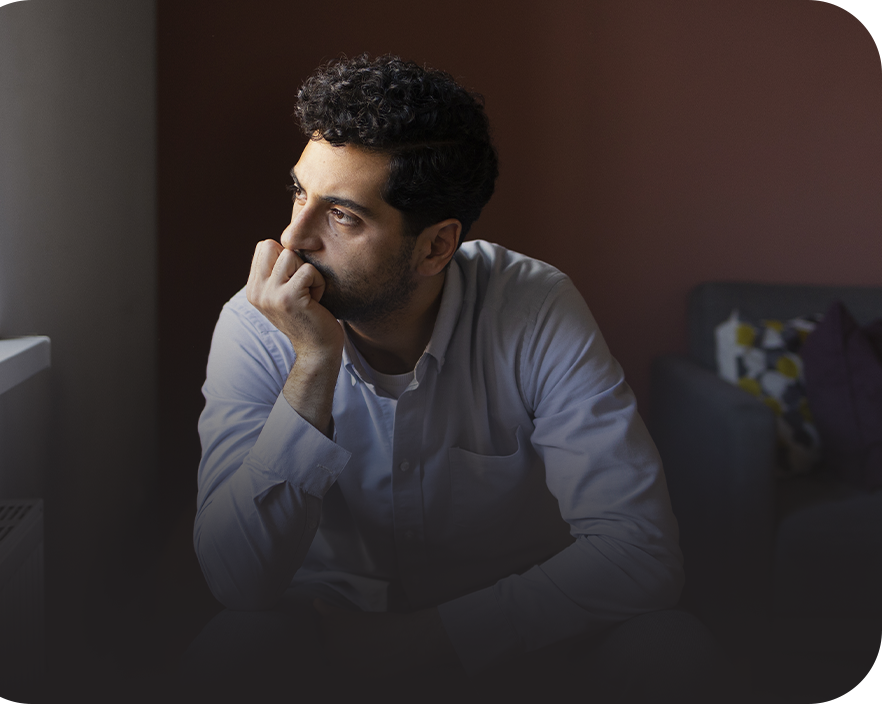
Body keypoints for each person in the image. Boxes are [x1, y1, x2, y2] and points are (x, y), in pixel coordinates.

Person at [183, 54, 716, 703]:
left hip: (515, 638)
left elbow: (642, 554)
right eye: (299, 193)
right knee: (231, 649)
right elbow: (237, 583)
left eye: (343, 216)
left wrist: (426, 640)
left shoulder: (533, 307)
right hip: (328, 636)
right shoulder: (255, 323)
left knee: (670, 647)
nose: (292, 240)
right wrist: (314, 366)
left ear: (437, 246)